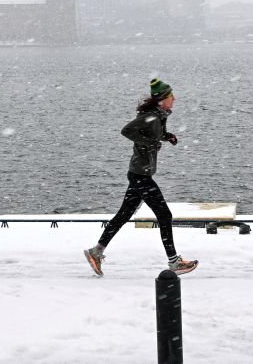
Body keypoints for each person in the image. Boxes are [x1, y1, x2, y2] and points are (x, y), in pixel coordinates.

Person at [84, 78, 198, 277]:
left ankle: (96, 252)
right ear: (163, 100)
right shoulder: (152, 117)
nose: (175, 99)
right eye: (172, 96)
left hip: (138, 174)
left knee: (123, 215)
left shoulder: (158, 116)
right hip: (141, 177)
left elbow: (153, 134)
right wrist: (148, 144)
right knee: (165, 215)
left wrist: (167, 136)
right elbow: (126, 131)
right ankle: (174, 262)